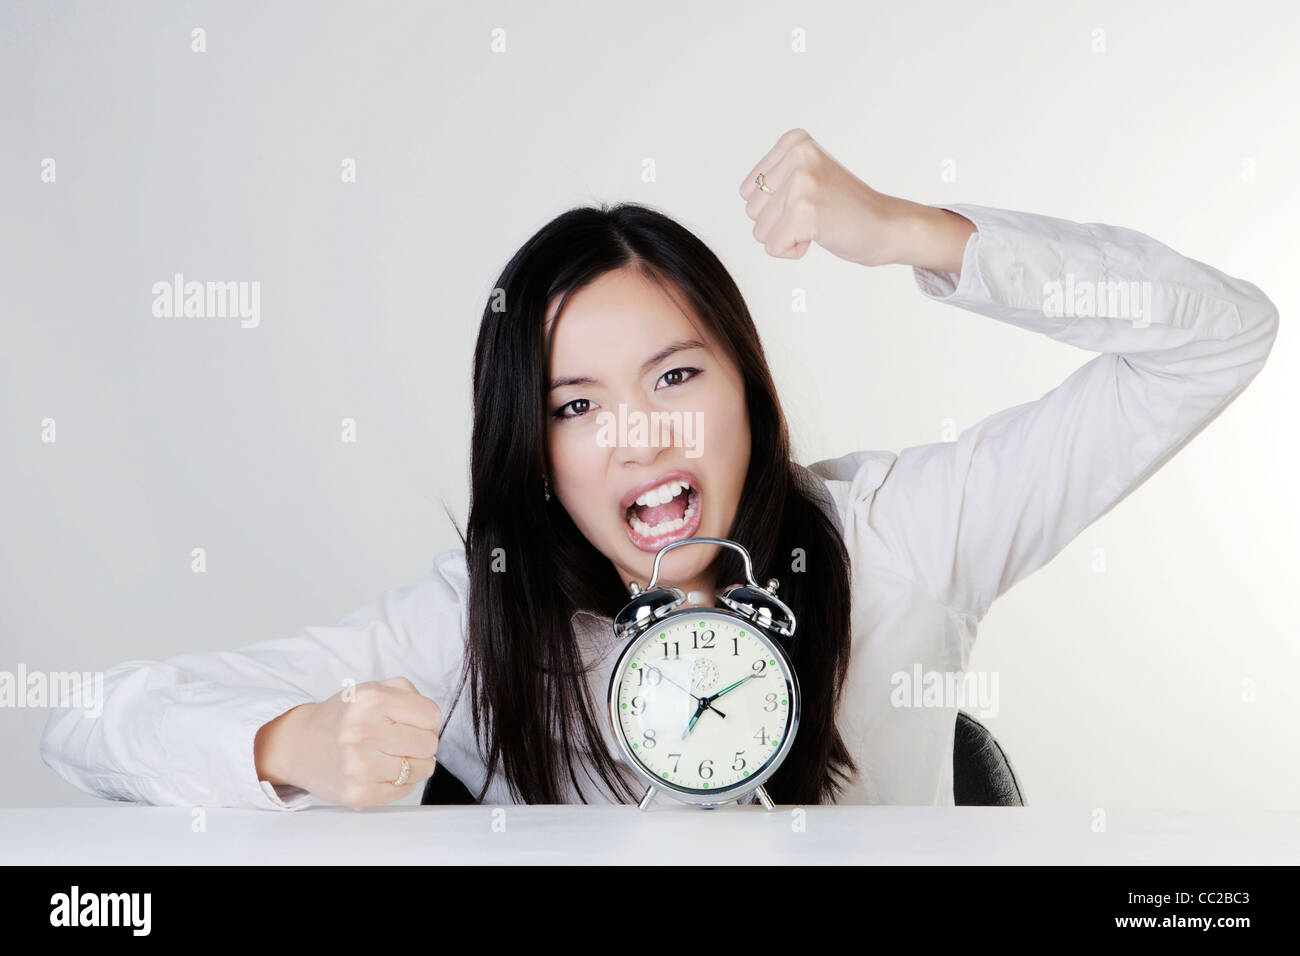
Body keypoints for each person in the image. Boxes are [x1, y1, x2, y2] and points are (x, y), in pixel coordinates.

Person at [40, 129, 1279, 811]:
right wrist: (282, 742)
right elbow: (91, 723)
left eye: (676, 378)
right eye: (578, 405)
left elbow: (1215, 335)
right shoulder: (482, 619)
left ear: (747, 388)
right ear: (534, 448)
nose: (637, 435)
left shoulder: (904, 535)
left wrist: (913, 230)